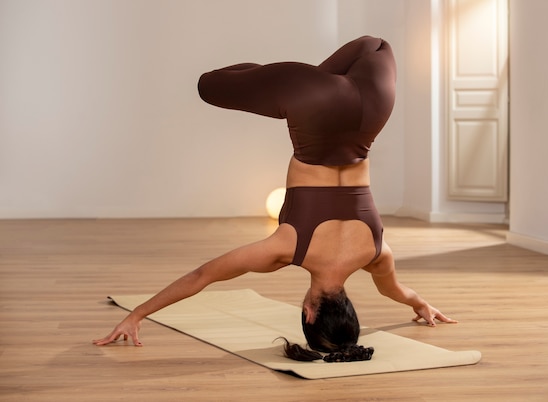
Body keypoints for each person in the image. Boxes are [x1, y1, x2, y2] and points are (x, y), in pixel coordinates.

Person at [93, 36, 457, 362]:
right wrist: (136, 314)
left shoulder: (377, 253)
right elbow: (202, 276)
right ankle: (294, 82)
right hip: (311, 103)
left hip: (373, 106)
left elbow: (397, 290)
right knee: (209, 85)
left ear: (349, 308)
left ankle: (306, 80)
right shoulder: (286, 249)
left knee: (373, 44)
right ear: (309, 314)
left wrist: (421, 304)